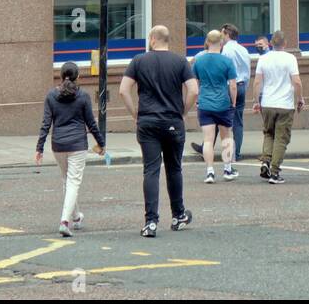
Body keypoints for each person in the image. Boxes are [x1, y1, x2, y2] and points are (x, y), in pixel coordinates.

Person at [119, 25, 198, 237]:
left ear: (153, 39)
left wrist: (134, 113)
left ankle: (151, 222)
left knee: (151, 170)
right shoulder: (180, 61)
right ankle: (178, 215)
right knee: (174, 169)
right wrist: (183, 110)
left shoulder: (138, 61)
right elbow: (193, 90)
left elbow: (123, 90)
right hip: (173, 120)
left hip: (147, 121)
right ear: (167, 39)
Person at [35, 62, 105, 237]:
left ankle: (76, 217)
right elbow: (91, 123)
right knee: (73, 182)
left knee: (68, 181)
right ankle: (64, 222)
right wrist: (101, 143)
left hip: (58, 145)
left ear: (60, 76)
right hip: (77, 145)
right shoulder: (82, 96)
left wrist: (39, 148)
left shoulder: (51, 95)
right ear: (78, 77)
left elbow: (46, 124)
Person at [190, 23, 251, 161]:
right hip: (241, 86)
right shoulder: (243, 50)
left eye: (222, 34)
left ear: (227, 35)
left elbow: (217, 68)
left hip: (228, 88)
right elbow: (247, 71)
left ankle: (209, 149)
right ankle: (236, 154)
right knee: (238, 122)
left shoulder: (225, 52)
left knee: (218, 120)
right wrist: (244, 87)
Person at [252, 30, 303, 184]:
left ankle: (266, 162)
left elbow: (256, 82)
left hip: (267, 103)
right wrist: (300, 99)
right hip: (285, 105)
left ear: (271, 43)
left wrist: (256, 101)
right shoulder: (290, 58)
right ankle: (275, 172)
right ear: (285, 43)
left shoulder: (264, 59)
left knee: (268, 133)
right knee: (281, 138)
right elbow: (297, 82)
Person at [193, 30, 239, 182]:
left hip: (205, 103)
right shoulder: (226, 61)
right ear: (222, 42)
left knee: (207, 140)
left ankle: (210, 172)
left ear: (207, 42)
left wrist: (197, 99)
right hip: (222, 103)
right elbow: (232, 85)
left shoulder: (199, 61)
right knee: (226, 137)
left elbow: (196, 83)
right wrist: (233, 102)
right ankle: (227, 169)